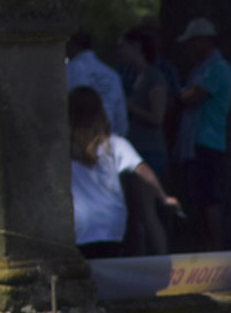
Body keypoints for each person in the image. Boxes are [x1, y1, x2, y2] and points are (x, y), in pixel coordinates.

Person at [68, 86, 178, 259]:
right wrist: (163, 197)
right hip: (112, 226)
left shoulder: (64, 150)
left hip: (80, 227)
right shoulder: (115, 144)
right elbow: (142, 170)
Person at [176, 17, 231, 249]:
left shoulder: (217, 68)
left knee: (208, 197)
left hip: (207, 142)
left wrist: (177, 95)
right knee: (198, 198)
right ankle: (205, 246)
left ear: (202, 41)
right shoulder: (202, 68)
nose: (188, 49)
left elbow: (193, 95)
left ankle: (216, 248)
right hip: (195, 142)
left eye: (191, 43)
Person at [116, 26, 172, 182]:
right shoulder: (131, 76)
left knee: (144, 203)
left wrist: (130, 106)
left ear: (136, 47)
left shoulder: (154, 77)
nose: (119, 52)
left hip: (149, 150)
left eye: (122, 47)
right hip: (133, 149)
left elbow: (157, 117)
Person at [64, 31, 129, 157]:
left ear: (71, 45)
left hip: (77, 146)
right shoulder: (112, 75)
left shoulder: (68, 70)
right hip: (109, 145)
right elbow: (121, 116)